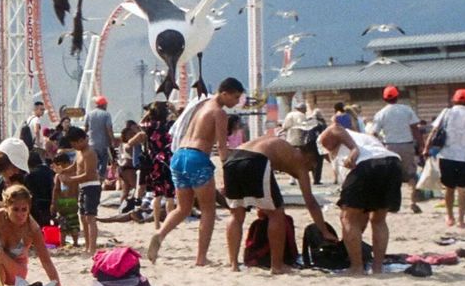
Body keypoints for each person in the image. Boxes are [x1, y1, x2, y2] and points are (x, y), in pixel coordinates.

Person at [147, 79, 245, 266]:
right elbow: (222, 148)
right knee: (208, 210)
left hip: (178, 156)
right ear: (224, 93)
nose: (236, 102)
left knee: (182, 208)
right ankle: (201, 258)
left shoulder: (201, 106)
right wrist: (228, 172)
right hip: (197, 158)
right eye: (235, 97)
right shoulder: (219, 112)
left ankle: (160, 234)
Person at [221, 135, 338, 273]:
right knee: (277, 214)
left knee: (236, 214)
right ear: (309, 157)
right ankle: (277, 266)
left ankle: (233, 264)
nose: (311, 170)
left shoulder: (283, 149)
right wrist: (324, 230)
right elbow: (310, 202)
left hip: (231, 160)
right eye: (312, 166)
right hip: (255, 160)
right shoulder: (299, 161)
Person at [319, 122, 405, 276]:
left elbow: (335, 128)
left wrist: (353, 149)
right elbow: (362, 211)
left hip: (365, 164)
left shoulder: (324, 141)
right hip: (392, 163)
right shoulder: (364, 137)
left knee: (347, 218)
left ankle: (356, 268)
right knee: (378, 219)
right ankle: (378, 268)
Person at [0, 184, 63, 286]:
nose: (20, 214)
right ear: (6, 207)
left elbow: (46, 261)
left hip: (16, 272)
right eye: (15, 209)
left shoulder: (32, 229)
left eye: (24, 209)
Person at [428, 89, 465, 228]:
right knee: (463, 189)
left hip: (447, 155)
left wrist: (426, 148)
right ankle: (461, 219)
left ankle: (449, 217)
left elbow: (434, 131)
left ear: (453, 100)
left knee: (449, 188)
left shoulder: (446, 112)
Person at [371, 86, 422, 210]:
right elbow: (415, 128)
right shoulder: (407, 110)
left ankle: (392, 203)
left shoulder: (381, 113)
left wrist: (378, 147)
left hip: (389, 146)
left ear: (384, 98)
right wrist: (421, 144)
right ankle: (413, 202)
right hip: (407, 145)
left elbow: (374, 133)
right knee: (411, 174)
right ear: (397, 96)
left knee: (391, 175)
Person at [61, 127, 102, 252]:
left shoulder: (90, 153)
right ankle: (88, 245)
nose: (75, 146)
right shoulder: (79, 152)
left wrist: (70, 180)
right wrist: (63, 171)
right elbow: (75, 166)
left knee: (90, 217)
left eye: (75, 143)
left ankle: (92, 248)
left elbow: (88, 174)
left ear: (83, 140)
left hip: (91, 186)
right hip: (83, 187)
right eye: (72, 144)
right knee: (83, 217)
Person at [140, 101, 176, 224]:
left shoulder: (150, 126)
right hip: (168, 160)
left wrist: (149, 112)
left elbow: (140, 123)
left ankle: (156, 223)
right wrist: (174, 110)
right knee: (170, 195)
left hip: (155, 161)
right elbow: (181, 121)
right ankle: (169, 222)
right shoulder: (169, 124)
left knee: (157, 194)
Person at [49, 151, 81, 246]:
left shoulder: (59, 175)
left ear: (61, 164)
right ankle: (75, 242)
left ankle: (62, 243)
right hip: (73, 201)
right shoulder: (75, 173)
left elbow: (56, 190)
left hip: (62, 201)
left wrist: (53, 203)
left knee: (63, 223)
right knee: (74, 221)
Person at [87, 96, 116, 177]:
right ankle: (101, 177)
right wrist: (113, 140)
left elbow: (86, 128)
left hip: (91, 143)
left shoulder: (89, 114)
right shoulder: (106, 114)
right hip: (104, 143)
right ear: (103, 104)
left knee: (95, 161)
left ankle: (94, 176)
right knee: (104, 160)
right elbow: (109, 128)